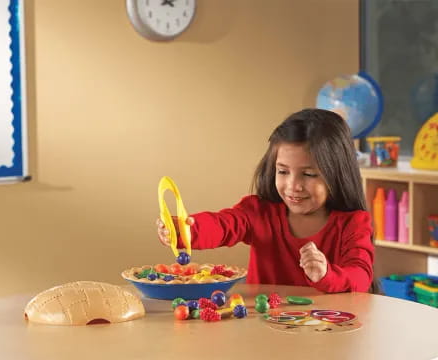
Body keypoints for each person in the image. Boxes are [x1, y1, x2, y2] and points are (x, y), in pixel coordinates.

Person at [157, 108, 374, 293]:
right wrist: (184, 230)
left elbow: (360, 276)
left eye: (308, 174)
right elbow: (225, 224)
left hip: (326, 332)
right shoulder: (259, 212)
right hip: (262, 331)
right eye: (283, 171)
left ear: (336, 173)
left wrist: (326, 274)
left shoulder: (353, 223)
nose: (293, 186)